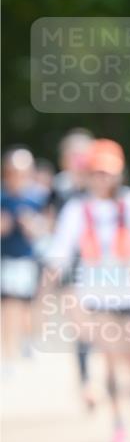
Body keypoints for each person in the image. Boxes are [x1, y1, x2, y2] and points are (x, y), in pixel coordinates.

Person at [47, 139, 130, 442]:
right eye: (97, 172)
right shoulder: (77, 209)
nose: (102, 179)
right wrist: (53, 272)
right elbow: (61, 247)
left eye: (107, 173)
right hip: (98, 295)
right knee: (111, 361)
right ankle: (119, 423)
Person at [51, 129, 96, 406]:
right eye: (73, 156)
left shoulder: (101, 185)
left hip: (101, 265)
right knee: (81, 326)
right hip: (69, 265)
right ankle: (86, 381)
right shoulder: (59, 188)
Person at [1, 148, 50, 368]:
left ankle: (27, 340)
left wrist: (32, 224)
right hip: (5, 260)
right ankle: (8, 354)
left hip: (29, 261)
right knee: (8, 307)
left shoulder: (37, 198)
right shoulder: (2, 197)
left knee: (28, 306)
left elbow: (46, 229)